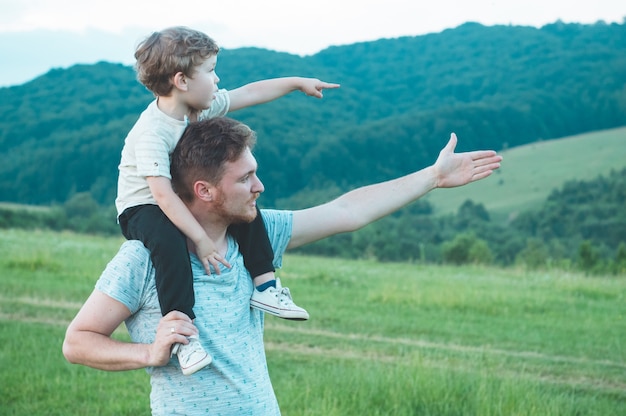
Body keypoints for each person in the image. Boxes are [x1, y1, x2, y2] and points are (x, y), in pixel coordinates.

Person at [64, 116, 502, 415]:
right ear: (205, 190)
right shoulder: (144, 258)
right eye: (245, 178)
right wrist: (148, 354)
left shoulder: (257, 235)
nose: (260, 186)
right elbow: (78, 341)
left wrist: (431, 177)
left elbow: (347, 211)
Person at [115, 26, 340, 375]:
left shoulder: (200, 108)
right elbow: (162, 196)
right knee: (169, 241)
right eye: (210, 71)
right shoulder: (152, 132)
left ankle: (265, 286)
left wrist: (297, 82)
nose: (218, 79)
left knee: (243, 210)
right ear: (181, 81)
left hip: (182, 197)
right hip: (142, 207)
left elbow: (249, 92)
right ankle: (183, 336)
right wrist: (202, 241)